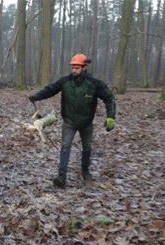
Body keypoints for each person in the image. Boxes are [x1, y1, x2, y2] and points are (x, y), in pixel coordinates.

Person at [28, 53, 116, 188]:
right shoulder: (65, 82)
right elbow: (51, 89)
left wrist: (110, 116)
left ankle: (85, 172)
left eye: (77, 68)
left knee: (87, 148)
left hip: (86, 122)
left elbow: (109, 98)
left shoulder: (94, 84)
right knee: (65, 147)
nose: (74, 70)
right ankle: (61, 177)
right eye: (73, 67)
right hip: (69, 121)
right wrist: (37, 96)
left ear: (84, 67)